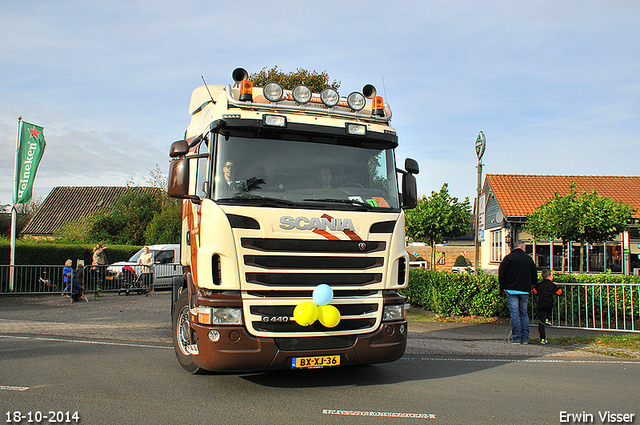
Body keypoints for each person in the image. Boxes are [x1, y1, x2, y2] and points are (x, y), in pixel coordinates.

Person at [498, 240, 537, 344]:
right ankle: (525, 338)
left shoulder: (508, 258)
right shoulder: (528, 259)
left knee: (514, 314)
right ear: (522, 247)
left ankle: (516, 337)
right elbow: (534, 273)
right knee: (524, 314)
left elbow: (501, 273)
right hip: (524, 290)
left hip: (511, 289)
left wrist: (503, 286)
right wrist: (532, 284)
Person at [533, 269, 563, 344]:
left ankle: (542, 339)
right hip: (549, 304)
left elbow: (534, 291)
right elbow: (559, 292)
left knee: (541, 322)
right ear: (549, 276)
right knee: (549, 309)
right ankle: (548, 319)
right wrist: (556, 286)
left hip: (540, 304)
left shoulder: (539, 284)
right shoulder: (552, 285)